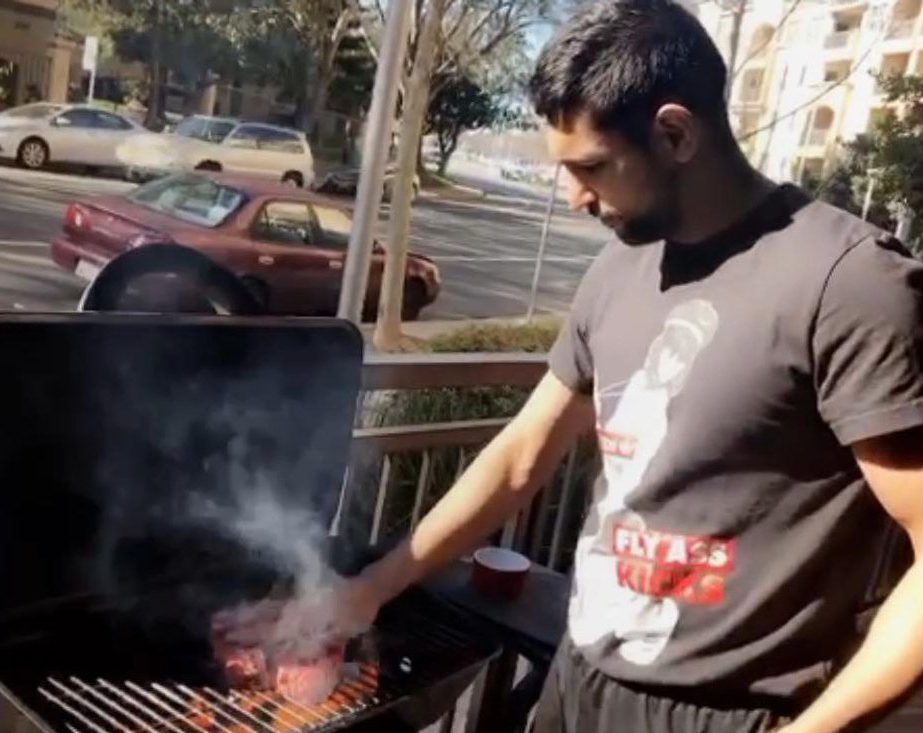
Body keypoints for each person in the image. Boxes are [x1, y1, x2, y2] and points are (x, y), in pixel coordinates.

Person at [338, 1, 923, 731]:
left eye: (590, 167)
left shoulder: (848, 282)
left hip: (731, 713)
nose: (574, 195)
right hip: (577, 678)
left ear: (675, 133)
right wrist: (373, 585)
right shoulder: (617, 271)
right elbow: (521, 455)